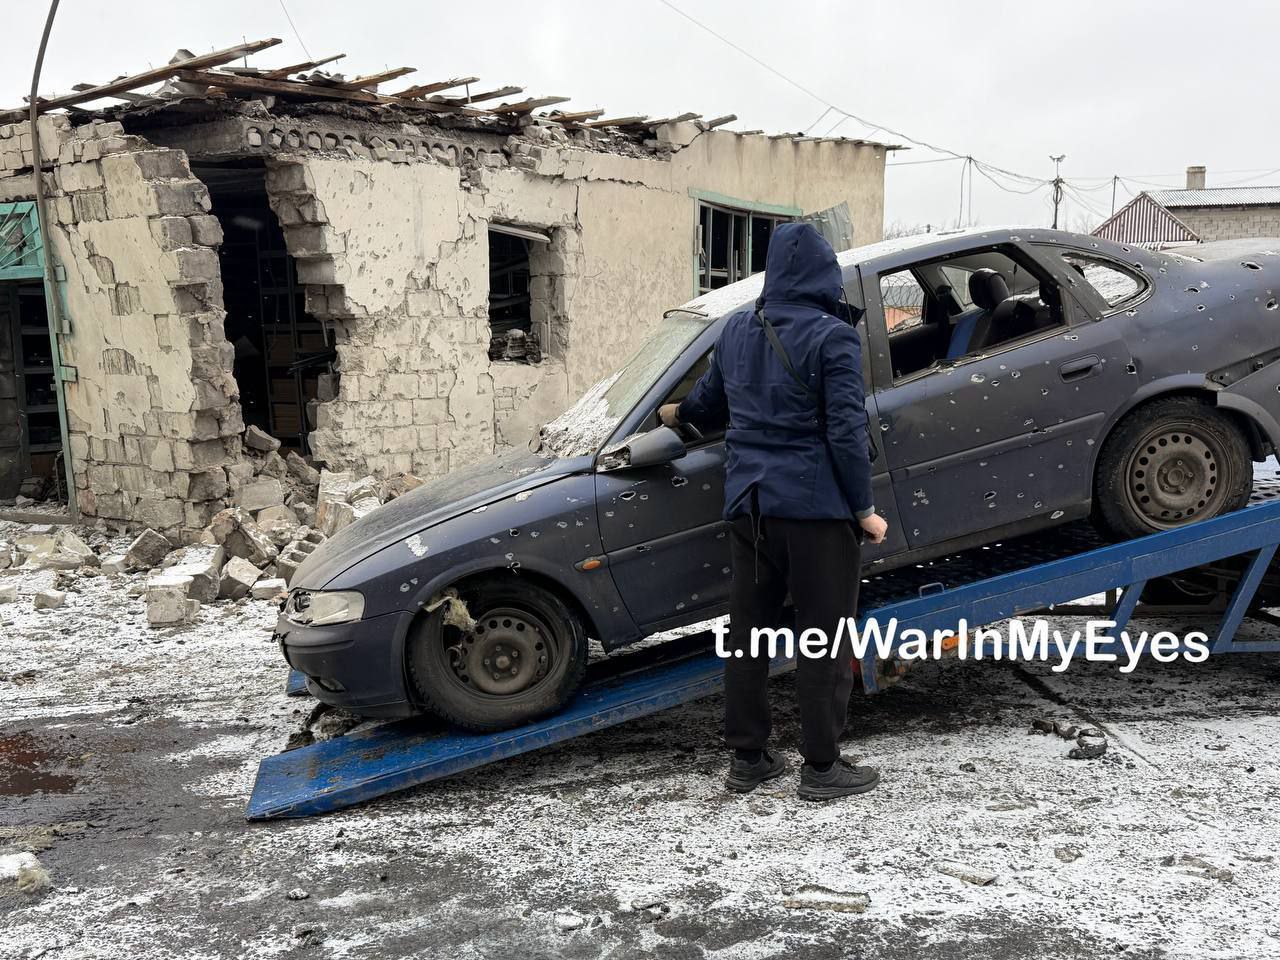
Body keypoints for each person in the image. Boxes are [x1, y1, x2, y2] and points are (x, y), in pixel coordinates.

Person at [659, 222, 888, 802]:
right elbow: (845, 430)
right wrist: (863, 509)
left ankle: (749, 758)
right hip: (814, 513)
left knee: (749, 636)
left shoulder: (738, 328)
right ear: (823, 274)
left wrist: (673, 414)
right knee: (825, 638)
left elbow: (707, 406)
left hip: (749, 508)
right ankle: (820, 767)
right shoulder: (834, 337)